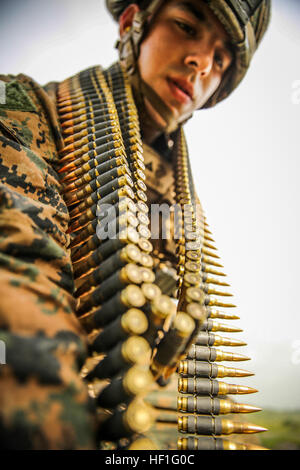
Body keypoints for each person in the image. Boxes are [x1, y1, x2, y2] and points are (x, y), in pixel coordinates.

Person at [0, 0, 271, 450]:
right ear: (132, 22)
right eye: (186, 26)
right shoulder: (22, 109)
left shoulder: (186, 205)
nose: (201, 62)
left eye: (221, 60)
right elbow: (19, 271)